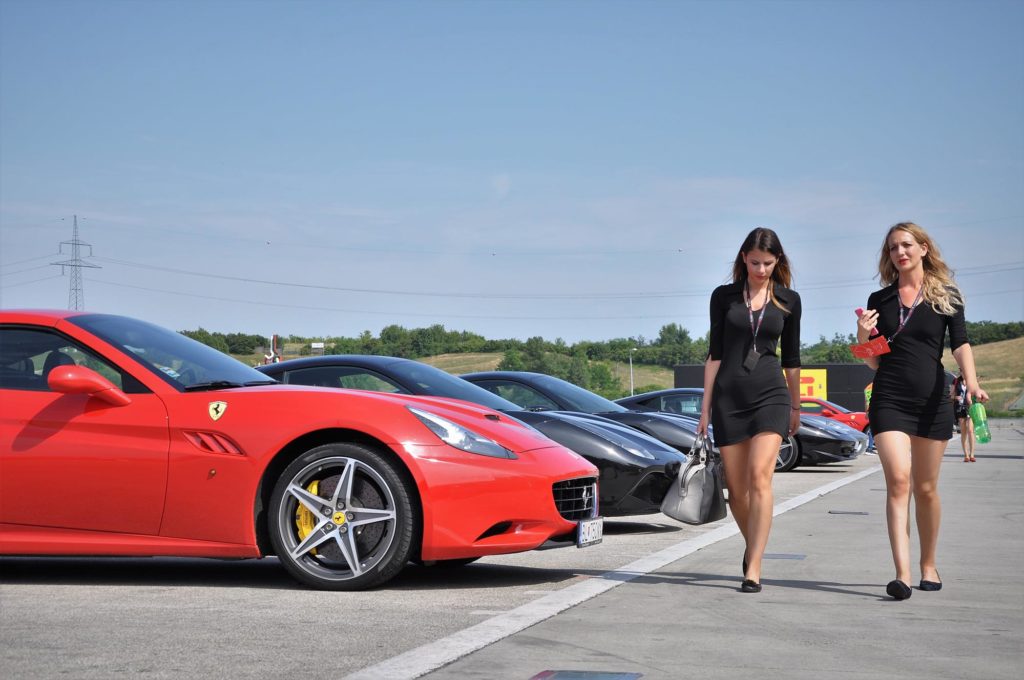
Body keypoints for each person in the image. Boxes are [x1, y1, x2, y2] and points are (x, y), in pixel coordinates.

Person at [856, 222, 988, 601]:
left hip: (932, 400)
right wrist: (863, 335)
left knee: (926, 488)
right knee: (899, 481)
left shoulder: (946, 295)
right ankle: (902, 574)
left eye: (907, 245)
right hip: (889, 398)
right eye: (893, 247)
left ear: (924, 249)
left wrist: (971, 382)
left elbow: (960, 344)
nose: (900, 252)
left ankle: (929, 563)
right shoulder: (880, 298)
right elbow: (873, 360)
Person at [698, 227, 801, 594]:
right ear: (744, 258)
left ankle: (753, 567)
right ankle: (753, 544)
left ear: (778, 261)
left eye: (768, 263)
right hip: (729, 398)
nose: (761, 270)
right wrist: (705, 409)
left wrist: (795, 405)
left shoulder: (788, 300)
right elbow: (715, 354)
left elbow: (792, 359)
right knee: (738, 492)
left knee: (760, 478)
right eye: (755, 262)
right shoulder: (723, 297)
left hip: (771, 395)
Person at [951, 373, 975, 462]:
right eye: (961, 370)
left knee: (970, 430)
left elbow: (976, 392)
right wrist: (955, 397)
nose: (963, 372)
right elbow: (950, 395)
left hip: (970, 408)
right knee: (963, 431)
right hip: (960, 408)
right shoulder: (956, 381)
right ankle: (966, 455)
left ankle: (972, 454)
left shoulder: (972, 380)